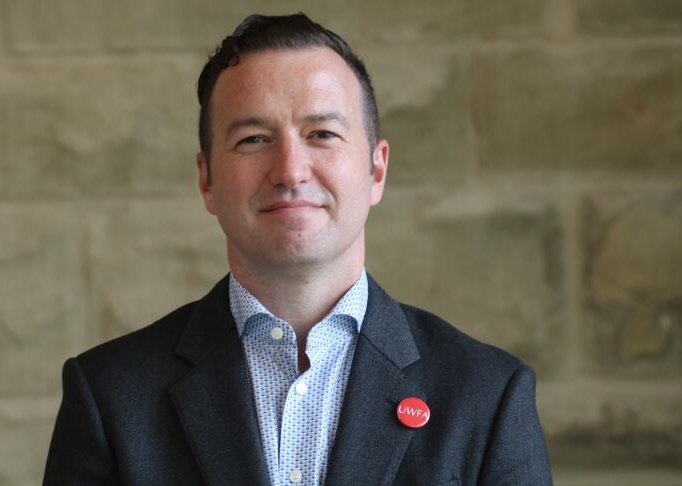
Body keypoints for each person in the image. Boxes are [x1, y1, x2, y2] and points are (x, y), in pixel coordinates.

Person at [43, 13, 553, 486]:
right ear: (207, 179)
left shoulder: (487, 396)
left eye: (322, 134)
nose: (289, 170)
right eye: (253, 139)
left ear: (376, 170)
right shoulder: (110, 397)